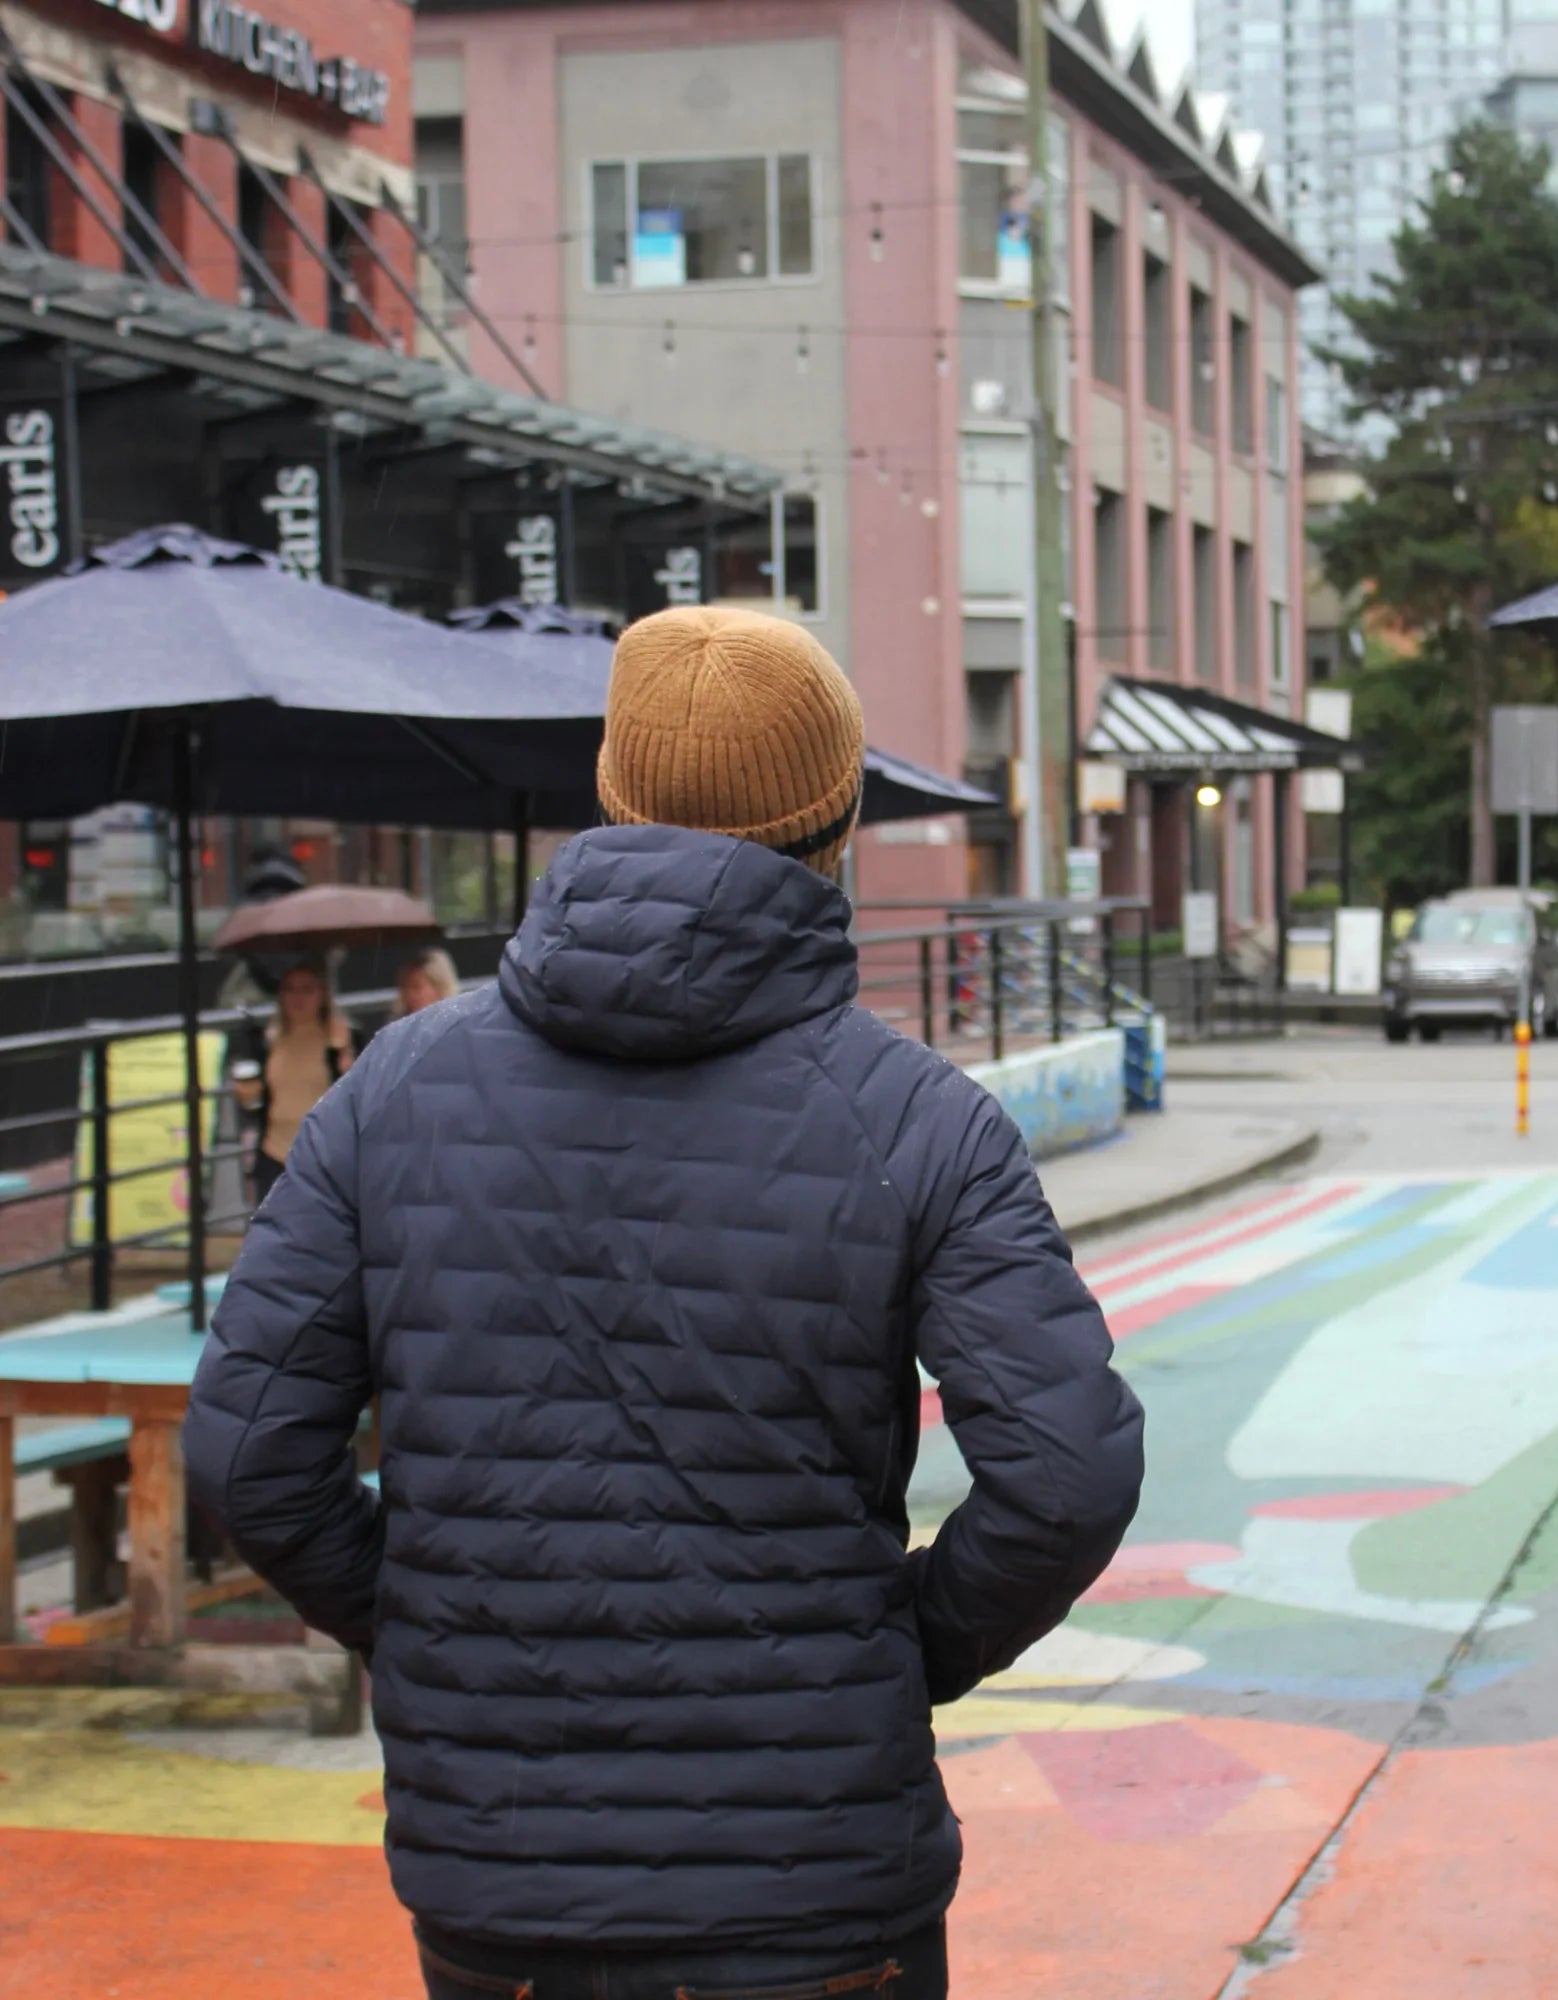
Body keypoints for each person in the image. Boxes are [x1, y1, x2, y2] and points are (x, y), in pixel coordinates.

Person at [184, 605, 1145, 2000]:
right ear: (838, 826)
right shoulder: (918, 1119)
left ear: (609, 792)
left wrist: (433, 1631)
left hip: (498, 1879)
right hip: (818, 1887)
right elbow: (1066, 1475)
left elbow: (246, 1455)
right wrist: (903, 1645)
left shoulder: (390, 1091)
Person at [231, 958, 351, 1207]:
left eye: (307, 989)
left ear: (322, 995)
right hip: (275, 1154)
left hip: (322, 1159)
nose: (298, 998)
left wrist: (343, 1057)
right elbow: (258, 1101)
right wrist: (248, 1096)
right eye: (290, 989)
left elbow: (355, 1098)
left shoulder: (340, 1037)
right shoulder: (269, 1039)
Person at [393, 947, 459, 1017]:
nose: (409, 995)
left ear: (439, 987)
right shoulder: (396, 1020)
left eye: (416, 987)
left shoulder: (457, 1019)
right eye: (404, 987)